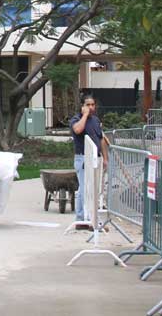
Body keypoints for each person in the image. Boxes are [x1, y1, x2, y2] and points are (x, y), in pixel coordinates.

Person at [70, 93, 108, 225]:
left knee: (94, 189)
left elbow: (101, 139)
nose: (91, 107)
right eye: (88, 105)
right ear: (82, 106)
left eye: (93, 104)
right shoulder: (76, 119)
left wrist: (105, 158)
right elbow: (78, 130)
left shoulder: (96, 121)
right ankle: (80, 218)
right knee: (83, 188)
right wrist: (85, 115)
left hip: (96, 158)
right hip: (82, 158)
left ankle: (91, 216)